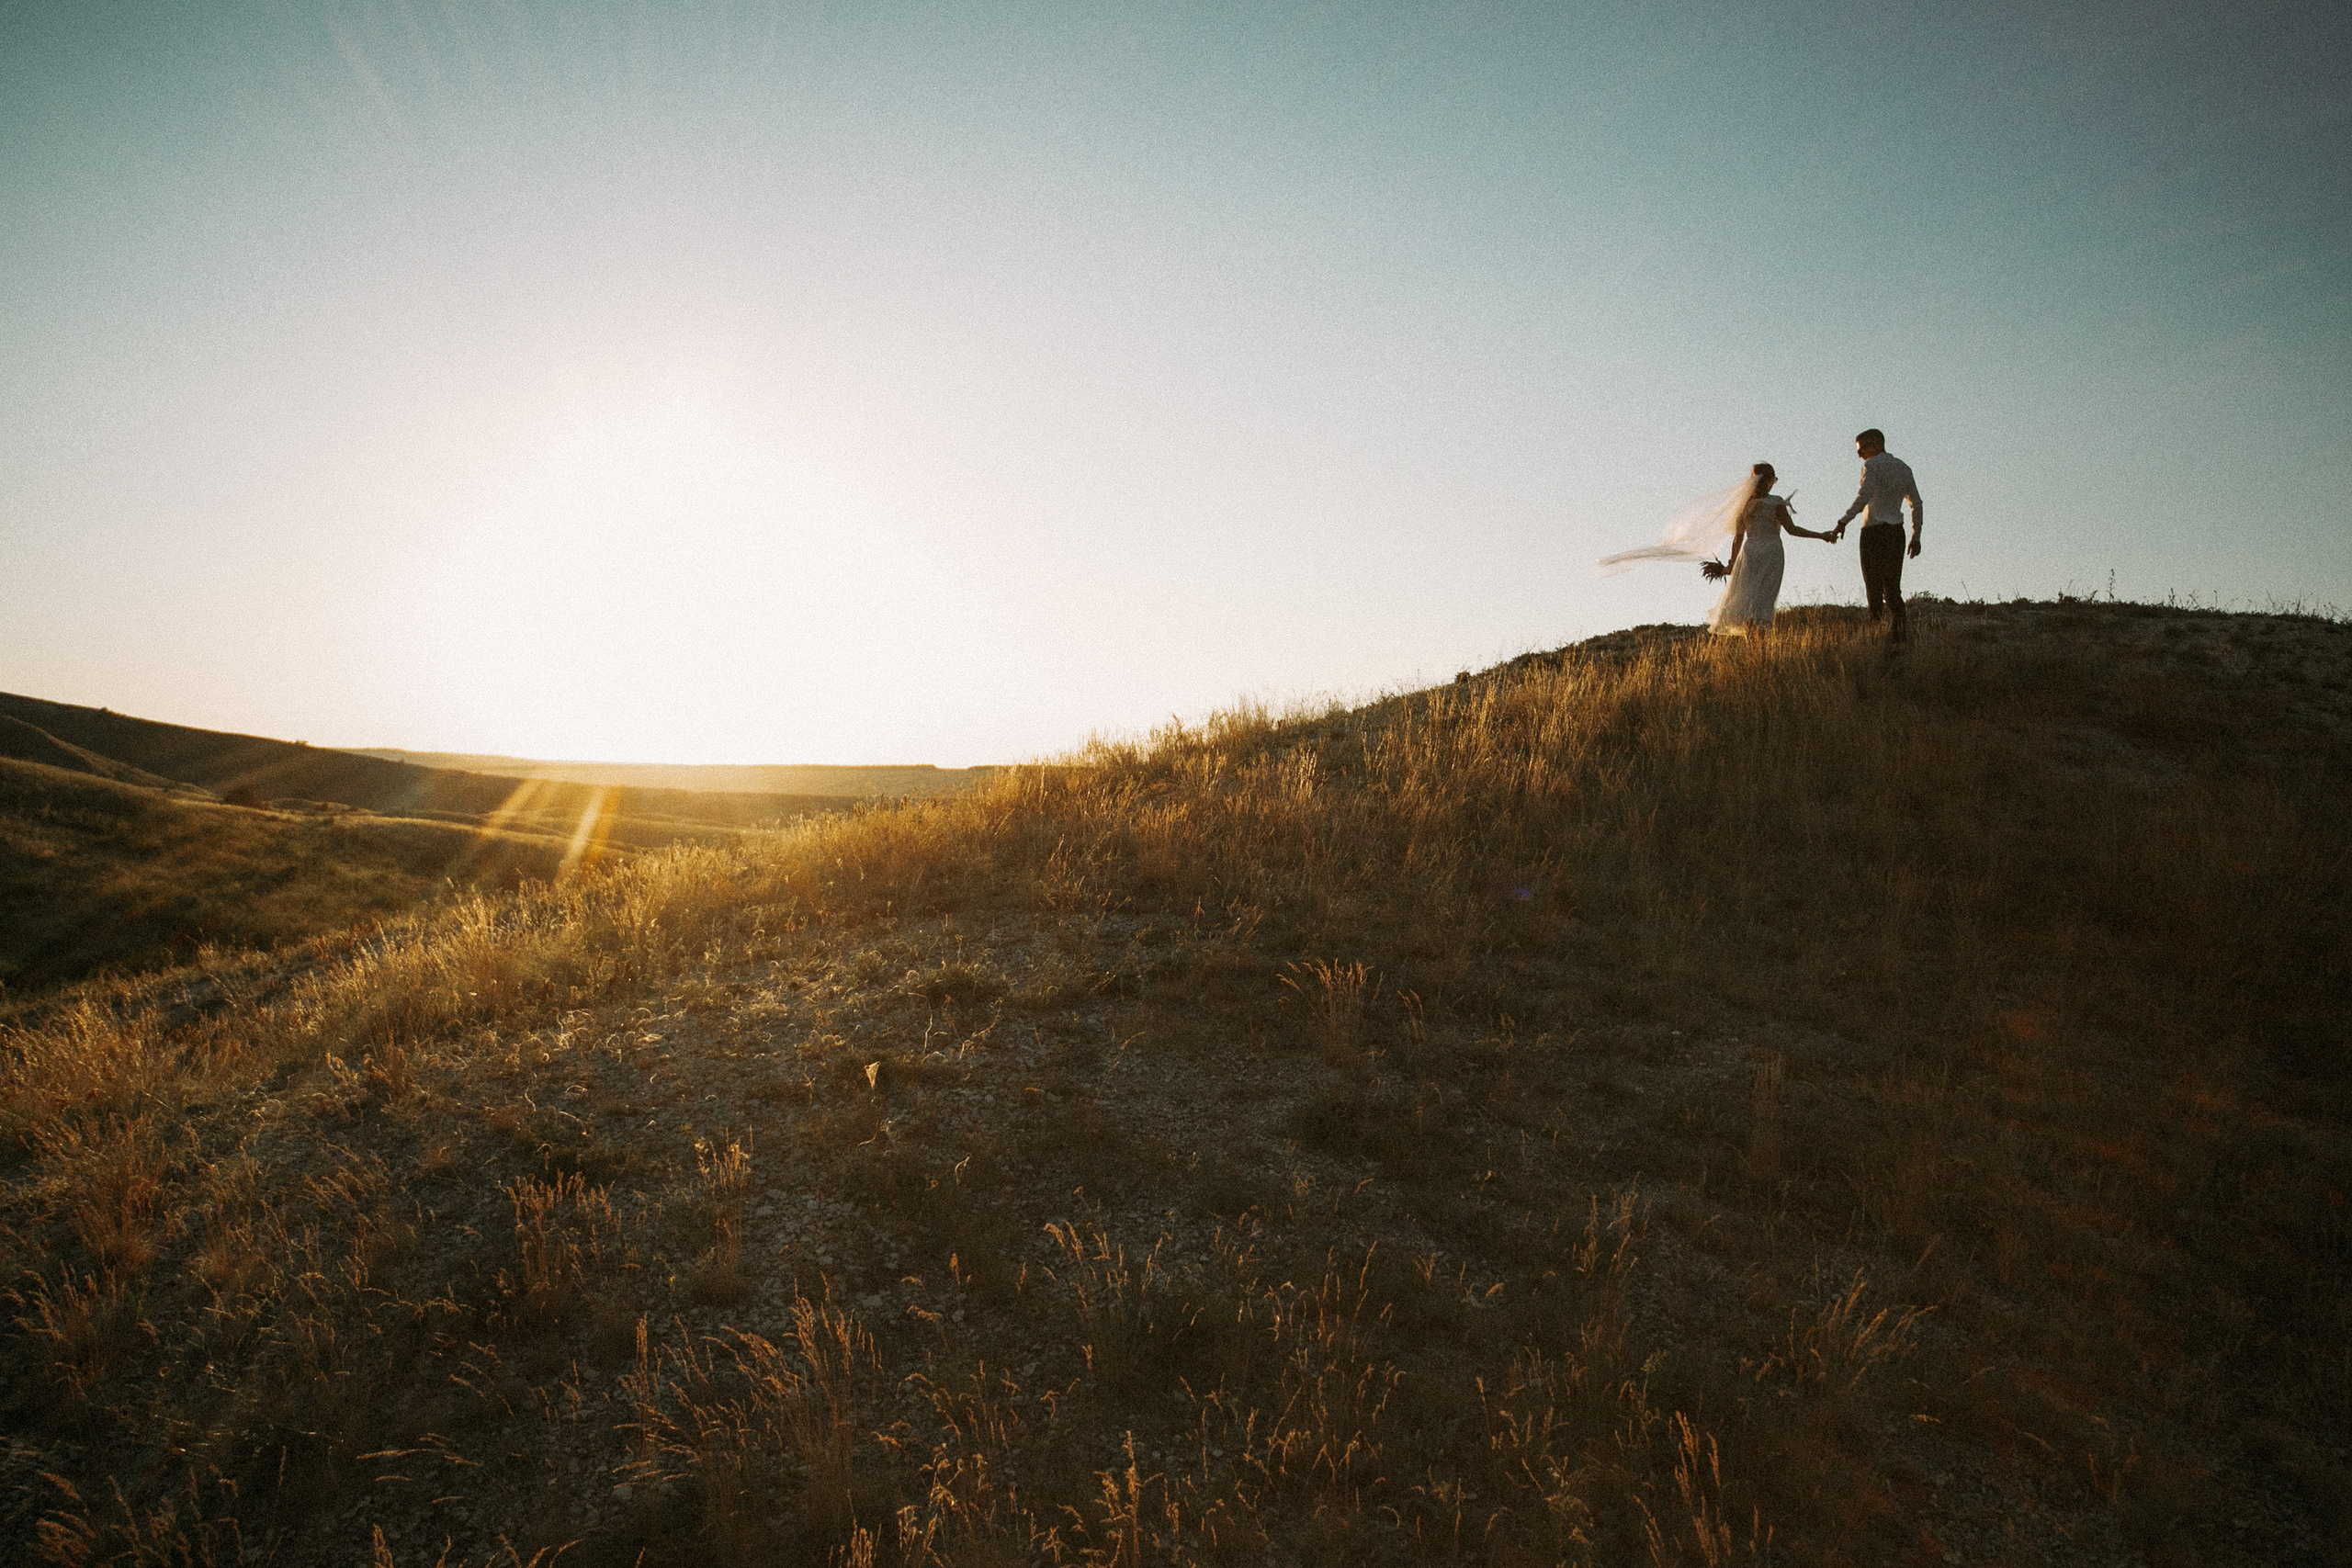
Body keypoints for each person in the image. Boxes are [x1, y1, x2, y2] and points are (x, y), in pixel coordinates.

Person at [1703, 462, 1834, 635]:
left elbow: (1738, 538)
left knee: (1747, 599)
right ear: (1771, 480)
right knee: (1763, 601)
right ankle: (1760, 644)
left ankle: (1755, 645)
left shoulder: (1743, 505)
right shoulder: (1775, 502)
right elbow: (1792, 530)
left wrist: (1731, 564)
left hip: (1750, 553)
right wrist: (1821, 535)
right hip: (1771, 552)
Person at [1828, 429, 1923, 642]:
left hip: (1873, 532)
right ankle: (1899, 636)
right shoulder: (1904, 468)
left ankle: (1875, 635)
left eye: (1861, 449)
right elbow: (1916, 503)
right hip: (1896, 533)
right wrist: (1916, 536)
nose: (1859, 455)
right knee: (1892, 588)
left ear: (1876, 443)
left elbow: (1864, 496)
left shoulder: (1872, 465)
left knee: (1873, 586)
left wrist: (1843, 521)